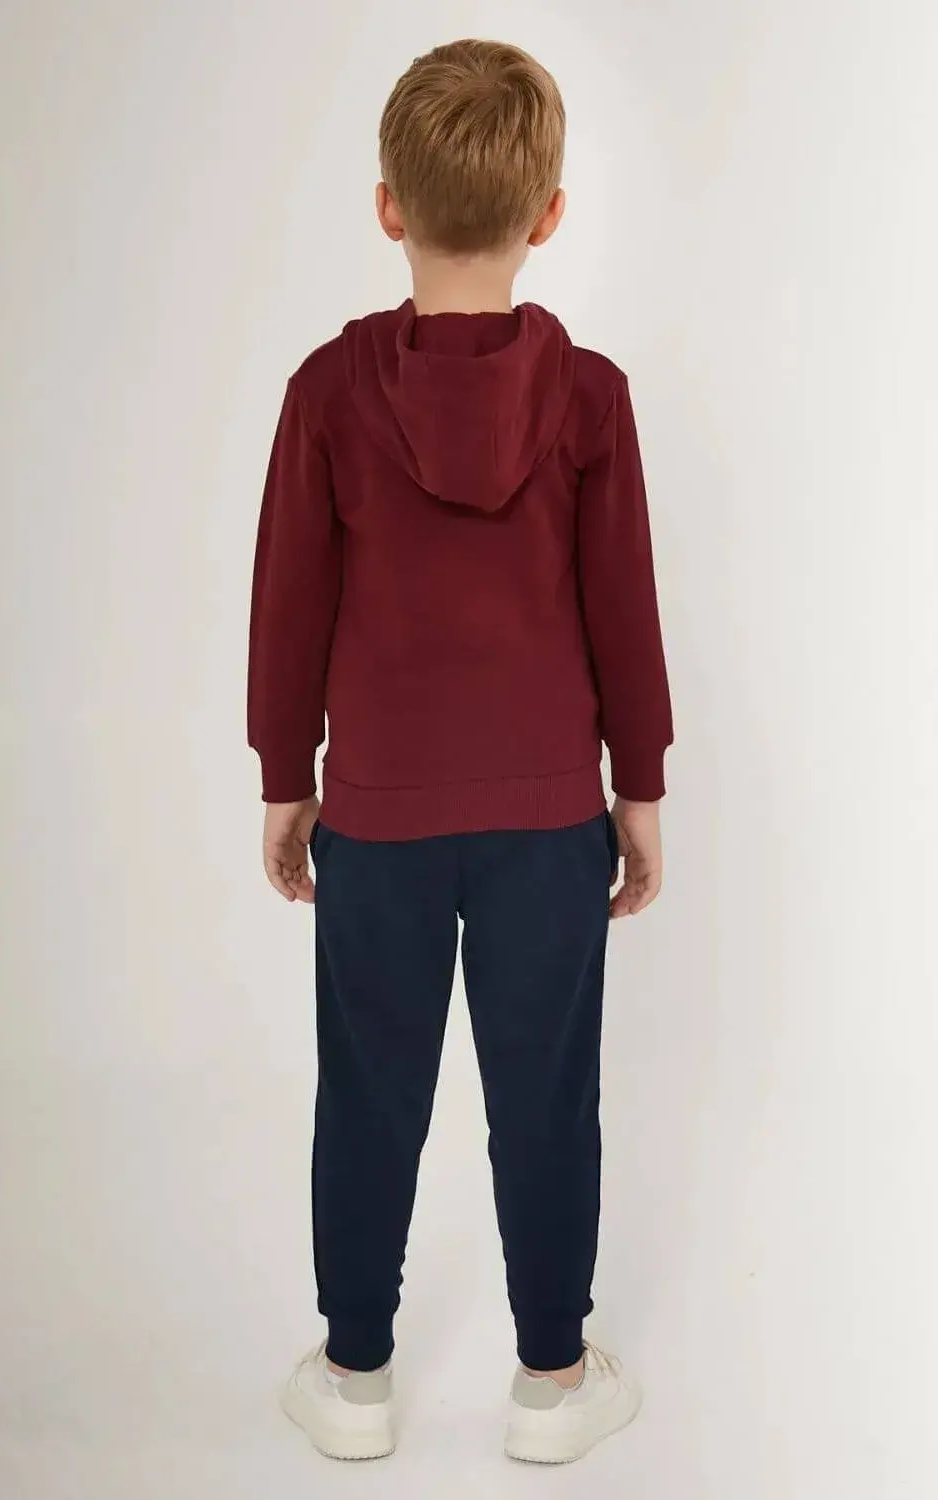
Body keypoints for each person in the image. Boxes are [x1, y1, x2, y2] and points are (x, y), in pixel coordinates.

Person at [247, 37, 672, 1465]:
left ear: (388, 208)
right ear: (548, 215)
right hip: (551, 822)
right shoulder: (590, 397)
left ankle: (354, 1378)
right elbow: (623, 609)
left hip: (376, 820)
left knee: (370, 1091)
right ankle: (552, 1382)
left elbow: (289, 603)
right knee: (545, 1098)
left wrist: (287, 777)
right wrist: (639, 788)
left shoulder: (327, 391)